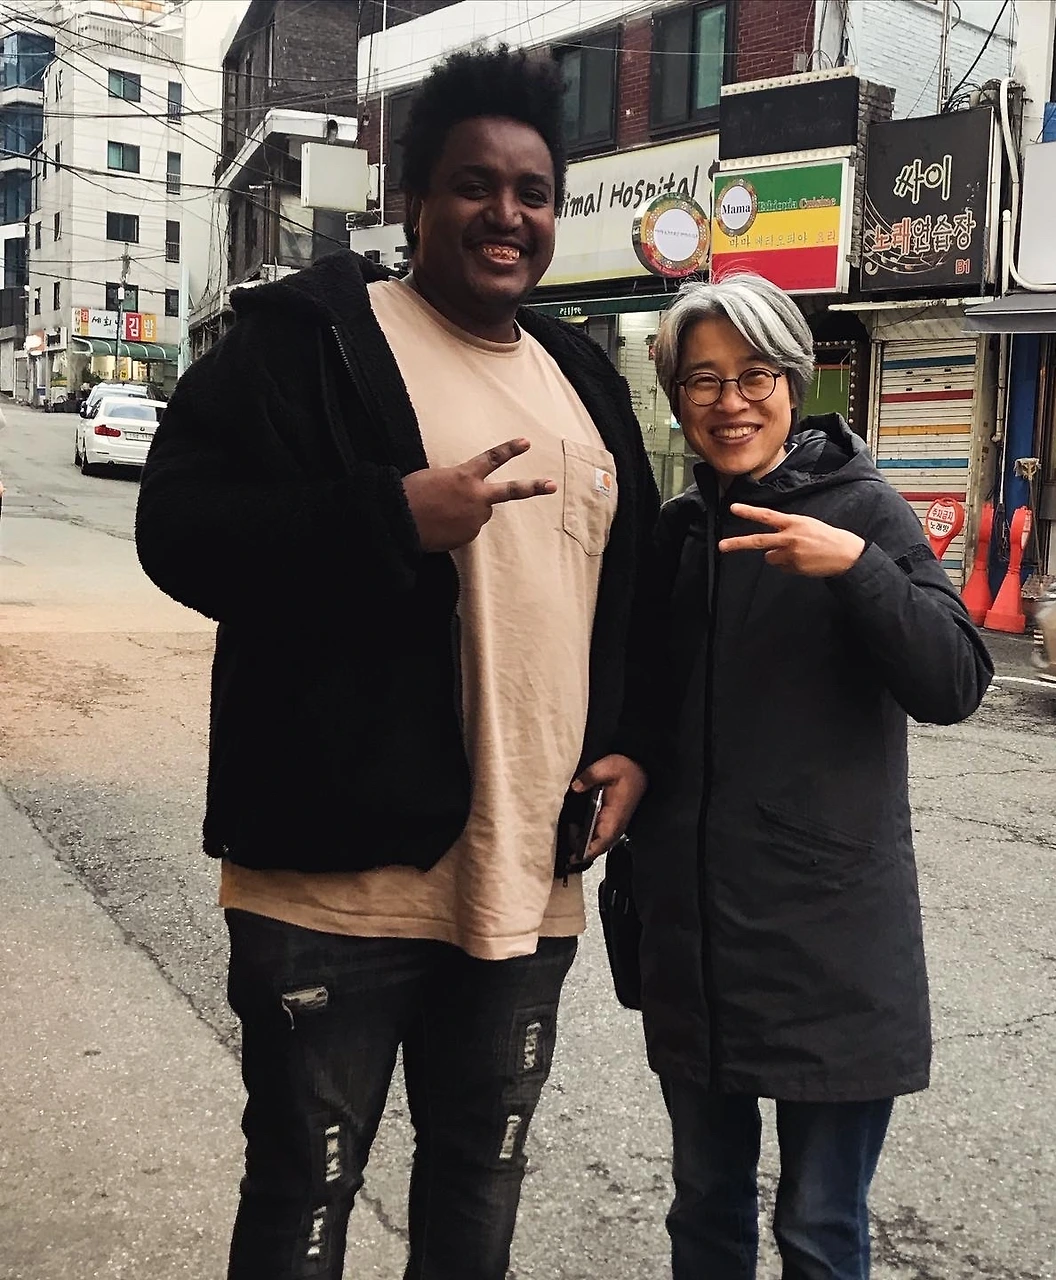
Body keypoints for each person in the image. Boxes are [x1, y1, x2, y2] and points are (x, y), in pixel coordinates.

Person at [136, 45, 656, 1280]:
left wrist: (632, 740)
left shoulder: (585, 379)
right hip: (333, 888)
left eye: (532, 191)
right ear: (413, 199)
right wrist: (385, 515)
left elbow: (629, 593)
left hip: (523, 883)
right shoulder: (309, 342)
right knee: (303, 1197)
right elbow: (178, 531)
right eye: (473, 185)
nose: (506, 214)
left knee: (478, 1191)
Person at [623, 273, 993, 1280]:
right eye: (703, 380)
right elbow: (650, 700)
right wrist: (625, 758)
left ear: (792, 381)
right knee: (704, 1209)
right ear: (676, 397)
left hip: (829, 943)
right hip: (698, 940)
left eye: (753, 376)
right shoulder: (680, 529)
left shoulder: (865, 509)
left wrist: (858, 568)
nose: (729, 402)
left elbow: (955, 681)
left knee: (819, 1228)